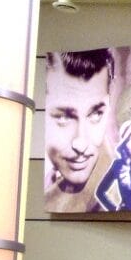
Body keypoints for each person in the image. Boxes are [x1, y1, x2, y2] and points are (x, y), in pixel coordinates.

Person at [44, 49, 115, 213]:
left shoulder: (115, 201)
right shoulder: (49, 180)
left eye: (96, 114)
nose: (81, 144)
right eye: (63, 117)